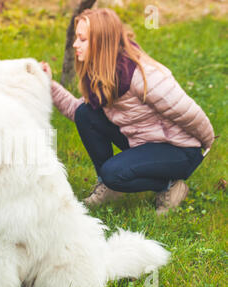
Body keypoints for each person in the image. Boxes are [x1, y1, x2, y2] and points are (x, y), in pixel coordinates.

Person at [41, 8, 214, 215]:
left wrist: (206, 143)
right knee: (85, 114)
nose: (75, 44)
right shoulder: (101, 73)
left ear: (101, 43)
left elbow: (188, 112)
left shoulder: (141, 76)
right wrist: (48, 84)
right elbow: (78, 112)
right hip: (145, 141)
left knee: (113, 173)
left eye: (82, 39)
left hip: (180, 149)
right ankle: (110, 186)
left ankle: (169, 185)